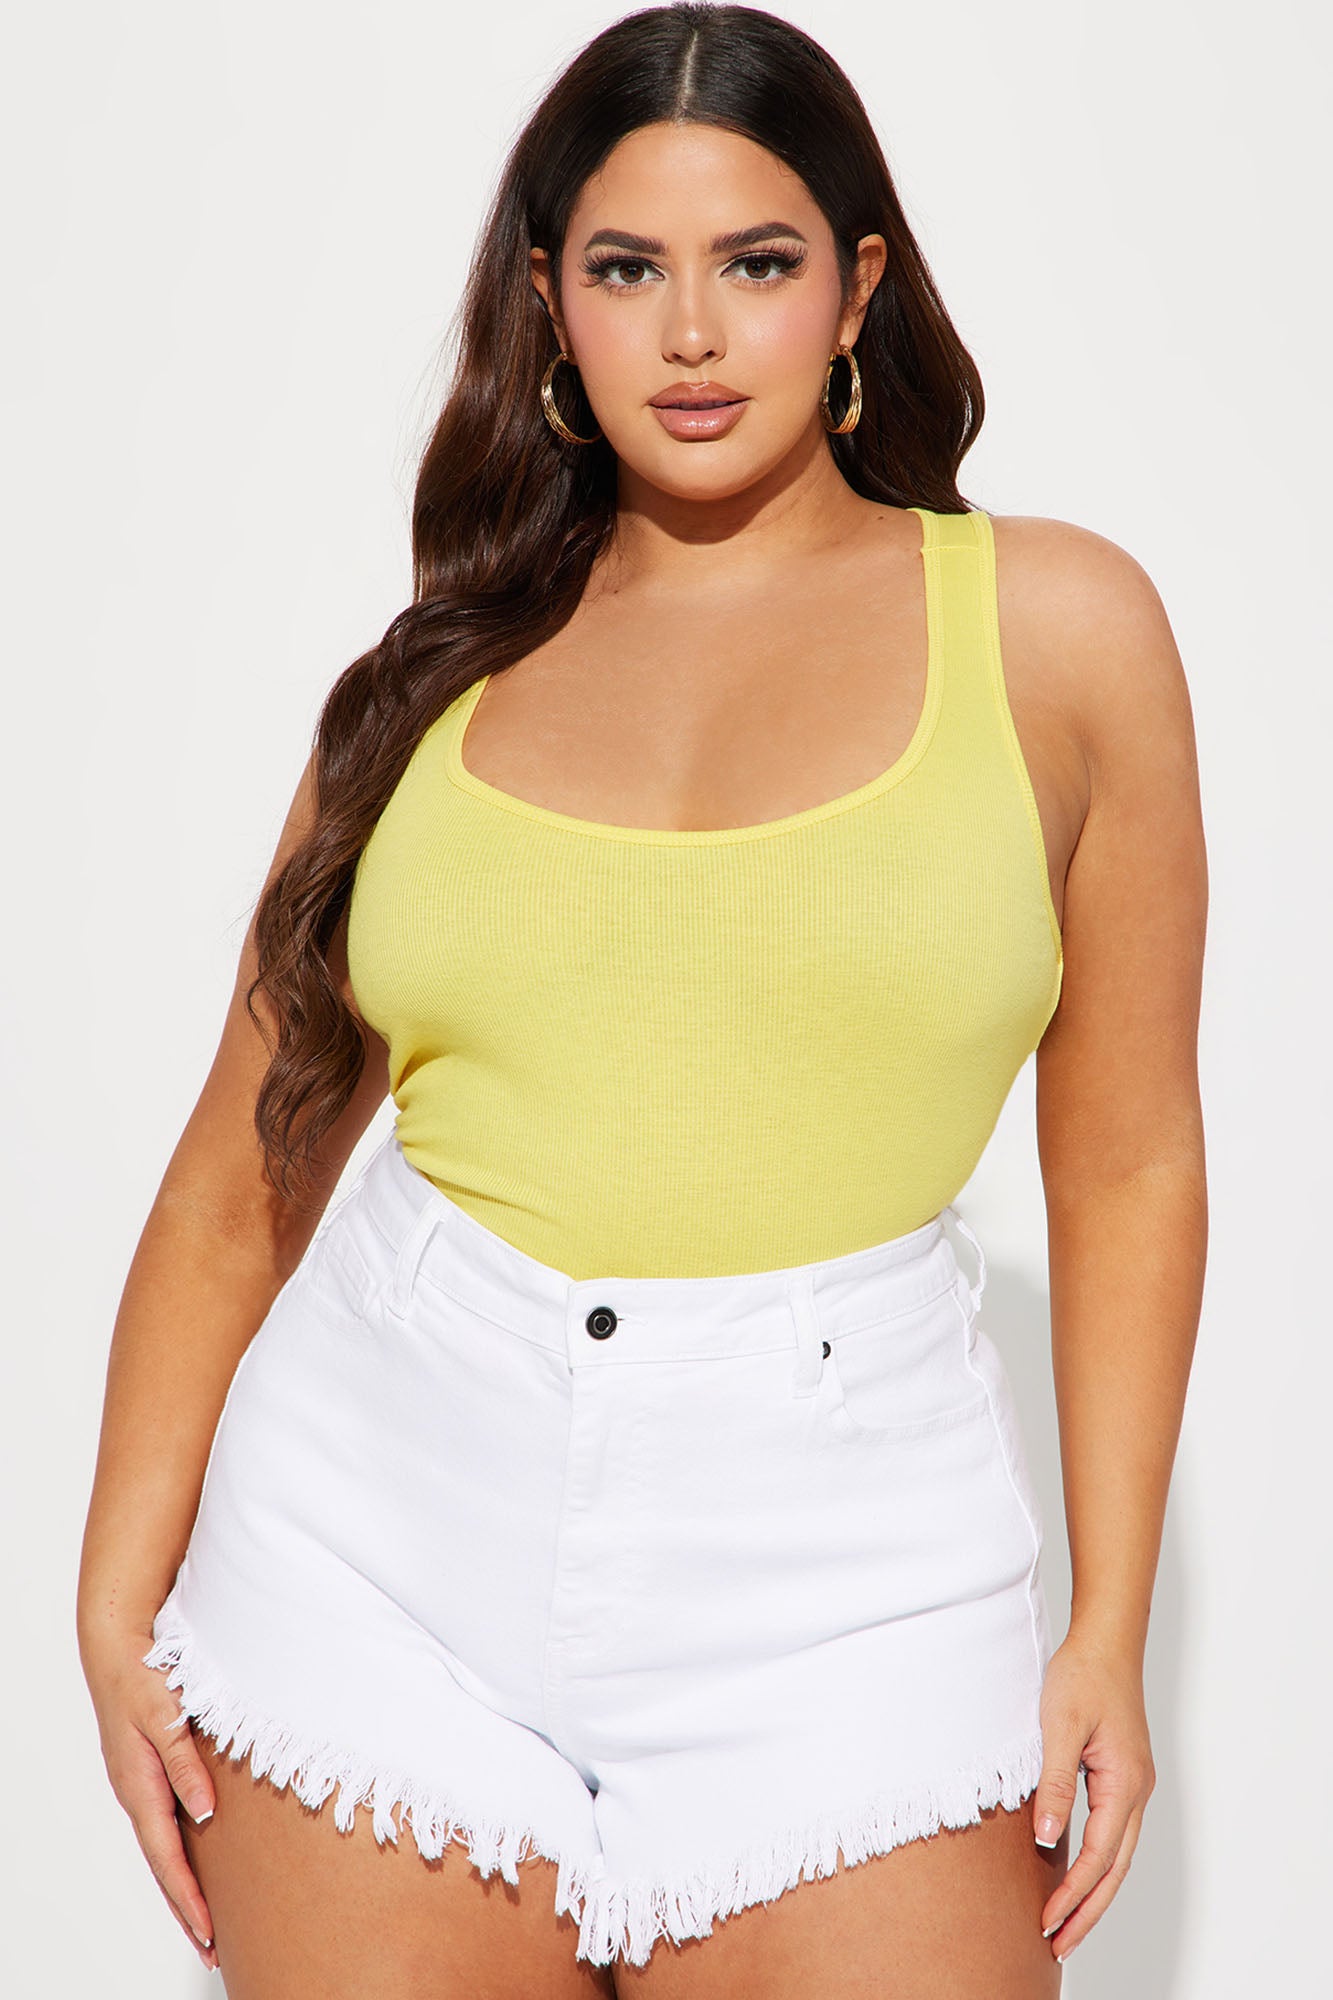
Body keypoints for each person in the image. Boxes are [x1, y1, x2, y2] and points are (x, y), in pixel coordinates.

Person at [77, 5, 1208, 1995]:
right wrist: (111, 1583)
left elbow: (1123, 1163)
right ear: (549, 304)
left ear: (857, 287)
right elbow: (246, 1159)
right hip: (374, 1559)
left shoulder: (1055, 632)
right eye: (625, 269)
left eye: (754, 263)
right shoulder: (428, 681)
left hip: (850, 1584)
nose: (690, 334)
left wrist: (1108, 1624)